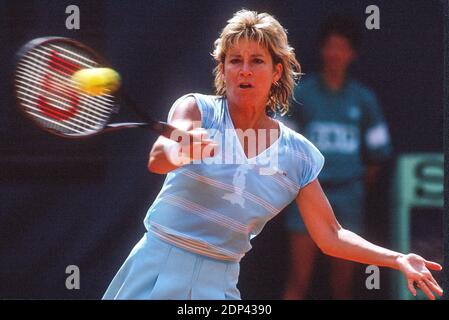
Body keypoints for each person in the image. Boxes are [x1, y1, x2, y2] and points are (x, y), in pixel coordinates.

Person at [102, 10, 442, 300]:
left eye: (257, 61)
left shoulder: (297, 155)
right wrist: (182, 149)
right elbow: (159, 157)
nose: (245, 70)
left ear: (277, 71)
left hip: (220, 283)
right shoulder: (196, 109)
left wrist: (397, 258)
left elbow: (331, 234)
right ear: (223, 71)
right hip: (156, 264)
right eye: (235, 61)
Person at [283, 14, 394, 300]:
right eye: (330, 46)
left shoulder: (363, 99)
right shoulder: (301, 94)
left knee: (343, 285)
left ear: (352, 53)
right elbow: (281, 147)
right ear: (322, 50)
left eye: (342, 47)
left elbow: (378, 154)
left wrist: (353, 183)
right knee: (299, 279)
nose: (335, 53)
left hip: (349, 197)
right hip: (306, 195)